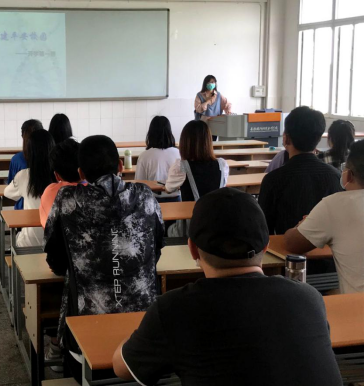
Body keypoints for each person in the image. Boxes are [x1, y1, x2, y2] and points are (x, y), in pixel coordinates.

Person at [113, 188, 343, 386]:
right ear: (265, 246)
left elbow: (122, 368)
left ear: (192, 249)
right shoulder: (309, 297)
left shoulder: (173, 310)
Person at [44, 135, 165, 383]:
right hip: (145, 332)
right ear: (120, 165)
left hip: (86, 331)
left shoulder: (68, 200)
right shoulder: (145, 196)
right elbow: (157, 248)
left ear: (81, 172)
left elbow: (54, 258)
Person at [285, 139, 364, 294]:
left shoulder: (336, 204)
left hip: (357, 306)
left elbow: (292, 244)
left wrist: (302, 224)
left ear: (348, 175)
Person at [258, 107, 343, 235]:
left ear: (286, 139)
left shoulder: (273, 180)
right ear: (318, 139)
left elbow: (264, 229)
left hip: (285, 246)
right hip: (326, 247)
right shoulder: (336, 177)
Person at [165, 121, 229, 233]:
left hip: (191, 228)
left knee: (166, 225)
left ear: (185, 143)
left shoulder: (181, 167)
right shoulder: (222, 165)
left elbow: (169, 189)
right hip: (217, 227)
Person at [4, 129, 55, 247]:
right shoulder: (59, 176)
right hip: (56, 244)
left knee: (18, 239)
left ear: (29, 153)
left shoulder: (24, 175)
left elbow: (7, 193)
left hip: (31, 243)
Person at [40, 138, 85, 228]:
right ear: (82, 171)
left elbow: (44, 224)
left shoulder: (49, 191)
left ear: (57, 176)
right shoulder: (95, 193)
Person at [134, 116, 180, 202]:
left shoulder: (144, 156)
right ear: (169, 133)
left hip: (152, 200)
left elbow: (139, 184)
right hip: (176, 199)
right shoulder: (178, 153)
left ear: (150, 134)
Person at [7, 119, 43, 210]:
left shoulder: (17, 160)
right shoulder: (51, 158)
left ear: (23, 136)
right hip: (48, 209)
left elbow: (11, 186)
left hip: (22, 208)